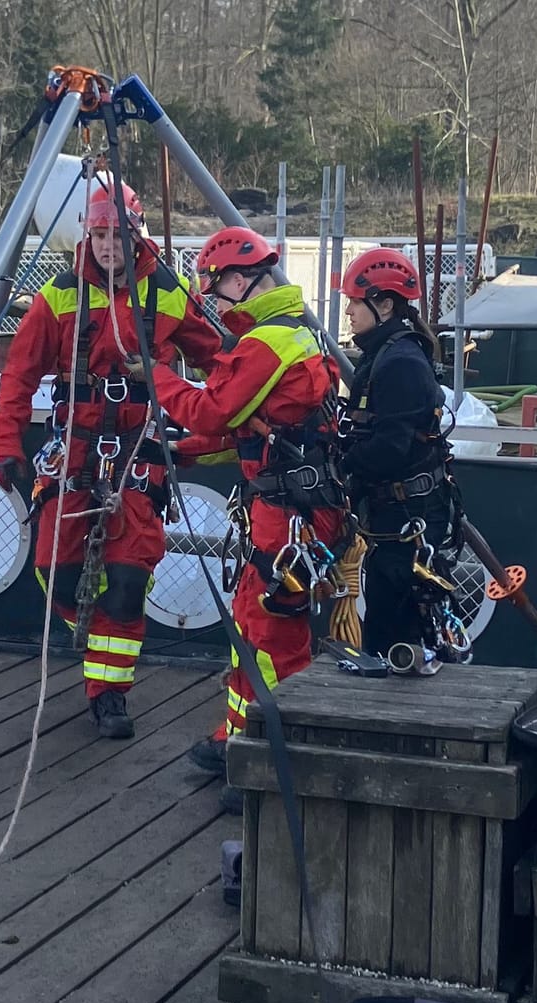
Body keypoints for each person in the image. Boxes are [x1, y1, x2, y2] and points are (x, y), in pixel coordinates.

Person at [0, 183, 222, 739]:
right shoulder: (59, 296)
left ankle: (109, 695)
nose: (108, 245)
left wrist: (253, 405)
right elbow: (19, 375)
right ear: (87, 235)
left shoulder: (169, 291)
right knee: (58, 576)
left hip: (140, 449)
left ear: (135, 234)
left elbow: (220, 360)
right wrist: (5, 445)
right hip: (73, 451)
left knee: (125, 581)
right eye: (99, 235)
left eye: (117, 234)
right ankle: (96, 647)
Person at [153, 227, 345, 806]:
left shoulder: (268, 343)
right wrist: (175, 450)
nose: (212, 301)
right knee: (250, 627)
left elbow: (212, 412)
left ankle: (273, 760)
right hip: (283, 506)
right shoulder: (284, 337)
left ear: (243, 281)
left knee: (273, 636)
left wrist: (155, 375)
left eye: (216, 289)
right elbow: (241, 431)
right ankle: (238, 736)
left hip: (292, 515)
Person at [334, 247, 458, 669]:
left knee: (390, 633)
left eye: (355, 301)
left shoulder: (400, 362)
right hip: (401, 512)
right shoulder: (387, 354)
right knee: (392, 626)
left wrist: (337, 463)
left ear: (384, 304)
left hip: (408, 516)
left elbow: (389, 449)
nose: (349, 311)